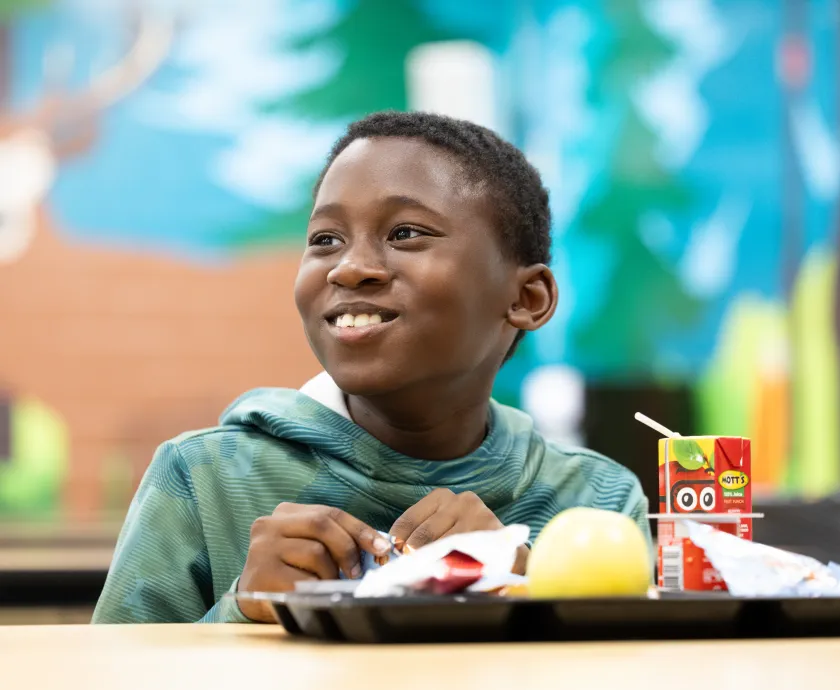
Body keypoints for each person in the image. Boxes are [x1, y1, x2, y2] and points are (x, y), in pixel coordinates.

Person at [92, 111, 649, 624]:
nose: (349, 268)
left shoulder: (594, 502)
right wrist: (243, 612)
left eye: (405, 233)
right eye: (325, 240)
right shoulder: (204, 479)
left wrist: (530, 594)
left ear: (526, 297)